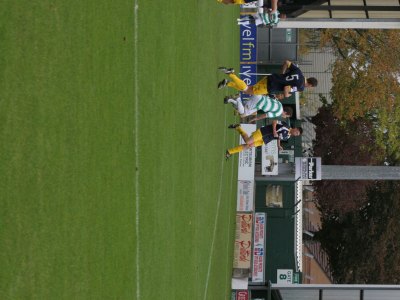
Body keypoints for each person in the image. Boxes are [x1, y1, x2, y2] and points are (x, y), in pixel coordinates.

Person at [217, 61, 318, 98]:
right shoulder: (300, 87)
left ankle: (227, 83)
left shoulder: (299, 72)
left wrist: (282, 73)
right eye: (310, 87)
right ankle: (231, 74)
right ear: (310, 85)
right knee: (248, 90)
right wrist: (286, 95)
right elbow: (287, 88)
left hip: (271, 78)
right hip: (271, 86)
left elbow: (287, 62)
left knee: (250, 89)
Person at [225, 121, 302, 159]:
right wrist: (274, 131)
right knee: (248, 141)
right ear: (295, 128)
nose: (296, 134)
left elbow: (278, 137)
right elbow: (274, 121)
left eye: (297, 134)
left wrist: (279, 145)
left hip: (266, 140)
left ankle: (230, 151)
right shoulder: (286, 126)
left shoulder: (288, 136)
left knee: (248, 146)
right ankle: (238, 128)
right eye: (297, 132)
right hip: (263, 132)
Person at [224, 93, 293, 122]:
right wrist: (255, 118)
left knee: (242, 108)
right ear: (286, 112)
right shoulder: (278, 113)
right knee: (243, 113)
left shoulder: (280, 104)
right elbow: (265, 115)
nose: (285, 117)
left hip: (259, 97)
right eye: (286, 116)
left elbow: (271, 98)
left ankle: (230, 100)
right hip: (259, 103)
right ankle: (238, 98)